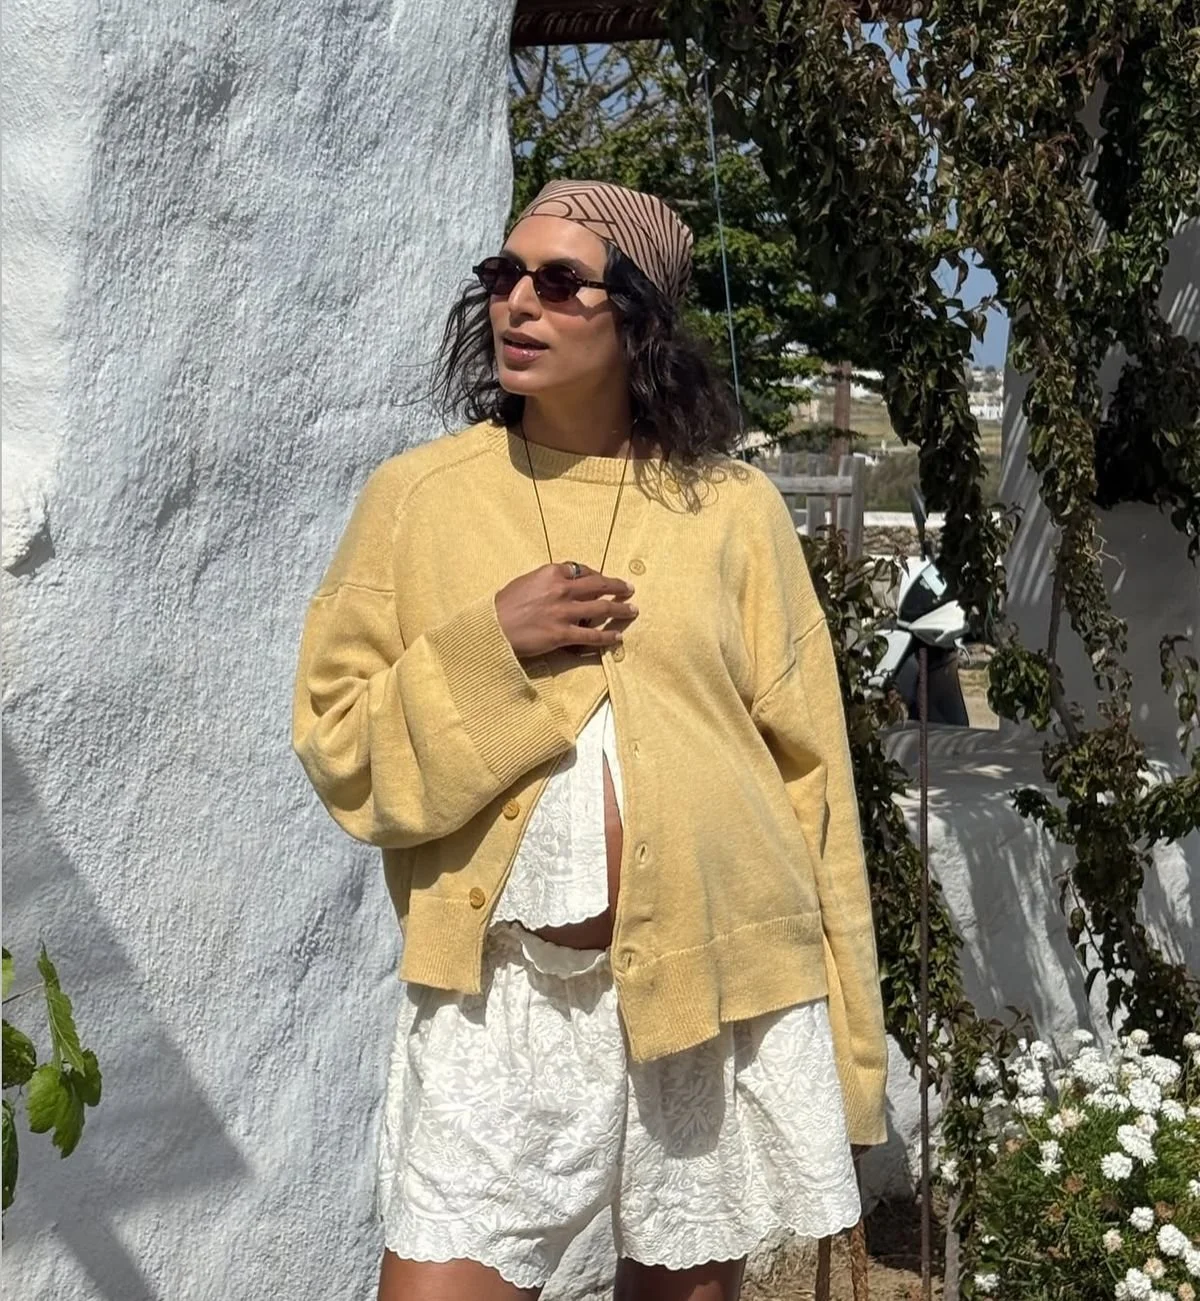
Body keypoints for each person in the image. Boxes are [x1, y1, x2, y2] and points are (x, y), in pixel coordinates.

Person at [291, 179, 888, 1301]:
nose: (518, 301)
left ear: (640, 315)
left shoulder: (733, 507)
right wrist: (491, 643)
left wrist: (855, 1058)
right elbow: (338, 743)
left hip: (710, 990)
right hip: (500, 995)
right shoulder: (418, 497)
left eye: (560, 281)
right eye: (502, 275)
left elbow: (813, 783)